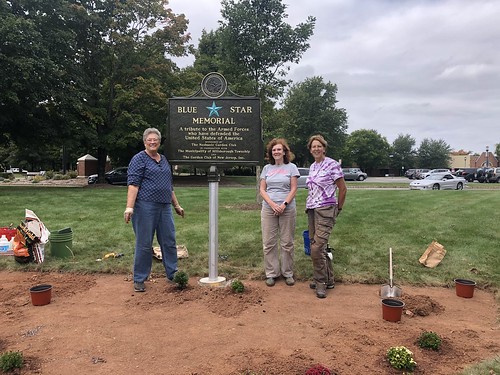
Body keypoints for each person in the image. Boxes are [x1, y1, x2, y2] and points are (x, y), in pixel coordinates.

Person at [124, 128, 184, 292]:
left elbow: (168, 186)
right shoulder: (139, 159)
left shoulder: (164, 160)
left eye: (155, 140)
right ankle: (140, 279)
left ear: (159, 142)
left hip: (165, 207)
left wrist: (177, 206)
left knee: (169, 241)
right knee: (144, 244)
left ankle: (173, 274)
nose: (152, 142)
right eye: (149, 139)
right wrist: (129, 207)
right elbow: (133, 185)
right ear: (145, 142)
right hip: (145, 206)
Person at [305, 134, 347, 298]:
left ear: (324, 148)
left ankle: (320, 282)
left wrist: (338, 208)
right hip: (312, 210)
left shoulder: (332, 165)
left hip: (326, 209)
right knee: (318, 246)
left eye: (319, 146)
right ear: (310, 150)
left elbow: (343, 189)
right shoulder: (313, 166)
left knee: (316, 248)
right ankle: (329, 279)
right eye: (313, 147)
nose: (316, 149)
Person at [259, 138, 300, 287]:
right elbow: (262, 189)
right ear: (271, 153)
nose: (276, 152)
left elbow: (294, 188)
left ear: (284, 152)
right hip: (269, 208)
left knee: (287, 242)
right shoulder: (266, 169)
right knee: (269, 242)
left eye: (279, 149)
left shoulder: (291, 167)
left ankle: (288, 273)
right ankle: (271, 273)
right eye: (274, 150)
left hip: (287, 209)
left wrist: (283, 204)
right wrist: (272, 204)